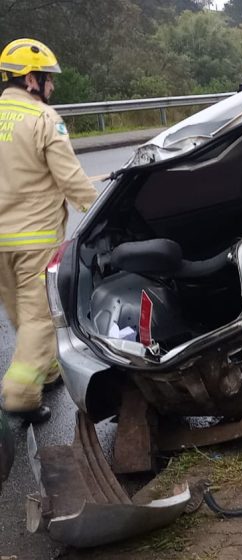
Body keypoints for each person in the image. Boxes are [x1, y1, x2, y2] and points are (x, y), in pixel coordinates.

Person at [0, 38, 98, 424]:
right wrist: (102, 212)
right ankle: (21, 395)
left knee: (19, 313)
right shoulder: (43, 119)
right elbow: (71, 179)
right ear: (30, 79)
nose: (52, 87)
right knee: (39, 316)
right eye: (48, 79)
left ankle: (49, 370)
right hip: (34, 238)